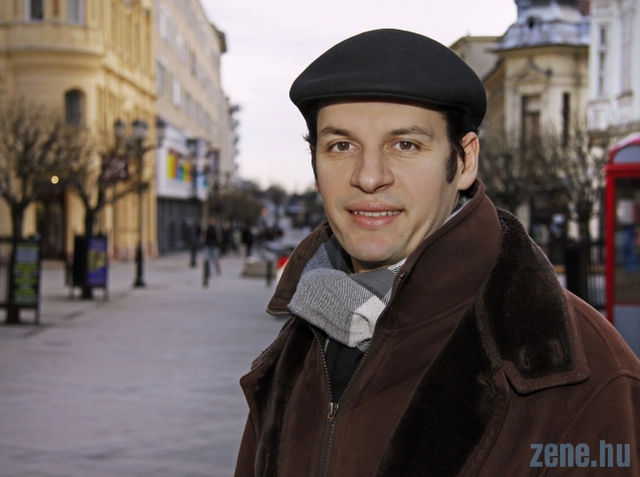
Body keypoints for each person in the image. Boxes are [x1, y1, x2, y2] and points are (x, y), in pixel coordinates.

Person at [234, 29, 640, 476]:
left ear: (464, 161)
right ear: (316, 166)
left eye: (405, 145)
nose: (369, 176)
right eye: (341, 146)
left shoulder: (577, 375)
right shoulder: (293, 350)